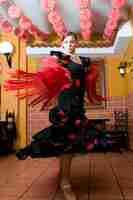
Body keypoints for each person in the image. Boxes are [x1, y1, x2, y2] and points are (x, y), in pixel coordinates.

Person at [3, 32, 112, 200]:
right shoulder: (59, 58)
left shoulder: (83, 61)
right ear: (63, 44)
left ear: (76, 44)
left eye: (72, 41)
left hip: (78, 105)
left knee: (71, 141)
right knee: (67, 141)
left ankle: (63, 174)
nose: (70, 44)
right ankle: (65, 182)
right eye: (67, 41)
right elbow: (47, 76)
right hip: (65, 104)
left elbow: (86, 82)